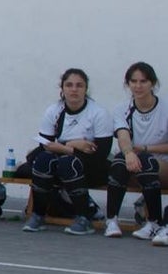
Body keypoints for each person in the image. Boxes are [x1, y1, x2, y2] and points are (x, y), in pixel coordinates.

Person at [20, 68, 113, 235]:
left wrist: (64, 148)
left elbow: (101, 153)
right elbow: (45, 145)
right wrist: (73, 145)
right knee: (43, 160)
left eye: (79, 85)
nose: (74, 89)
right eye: (69, 85)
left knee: (68, 163)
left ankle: (84, 218)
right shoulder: (54, 110)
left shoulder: (98, 113)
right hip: (63, 162)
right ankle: (38, 214)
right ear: (62, 88)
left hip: (94, 167)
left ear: (86, 88)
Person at [103, 62, 168, 242]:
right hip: (134, 164)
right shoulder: (122, 109)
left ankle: (154, 223)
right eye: (133, 81)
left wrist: (145, 149)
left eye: (143, 81)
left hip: (162, 166)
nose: (138, 86)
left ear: (153, 83)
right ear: (128, 84)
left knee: (146, 160)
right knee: (118, 161)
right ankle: (111, 220)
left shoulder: (165, 107)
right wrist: (129, 153)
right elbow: (123, 136)